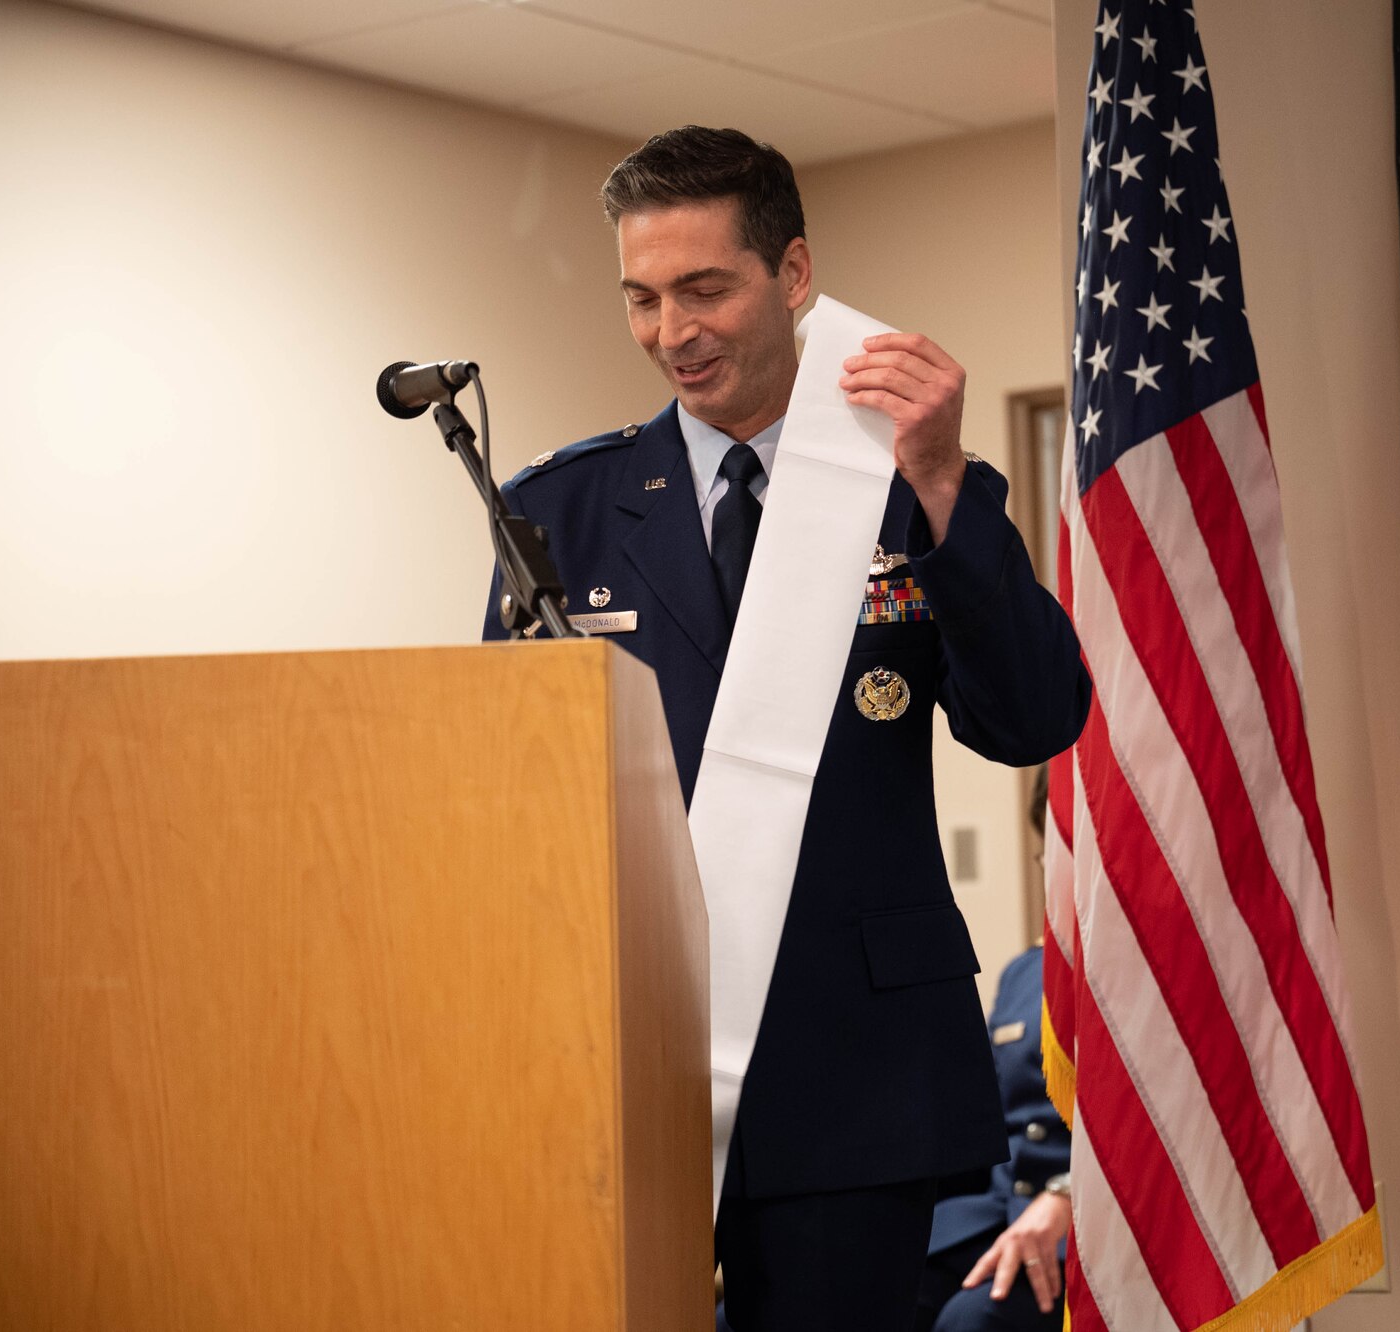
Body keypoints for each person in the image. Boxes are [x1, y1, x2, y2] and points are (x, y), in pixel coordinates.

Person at [482, 126, 1090, 1332]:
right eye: (642, 299)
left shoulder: (904, 480)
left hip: (850, 1060)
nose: (673, 332)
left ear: (793, 273)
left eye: (705, 288)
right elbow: (507, 790)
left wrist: (938, 482)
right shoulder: (562, 509)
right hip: (626, 1051)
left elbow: (1030, 720)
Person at [916, 945, 1070, 1332]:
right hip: (995, 1212)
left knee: (974, 1322)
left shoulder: (1153, 958)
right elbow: (985, 1113)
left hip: (1083, 1224)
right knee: (874, 1294)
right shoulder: (1025, 969)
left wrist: (1072, 1194)